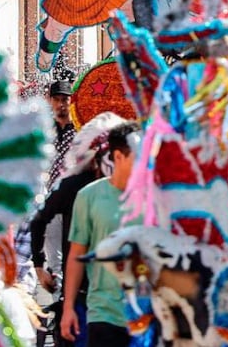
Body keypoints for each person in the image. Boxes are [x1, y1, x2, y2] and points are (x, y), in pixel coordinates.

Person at [32, 114, 128, 347]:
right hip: (83, 297)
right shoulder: (77, 188)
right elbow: (40, 220)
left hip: (126, 297)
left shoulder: (138, 190)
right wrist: (39, 265)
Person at [60, 122, 140, 347]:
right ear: (119, 157)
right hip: (104, 313)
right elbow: (77, 254)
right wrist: (68, 308)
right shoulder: (89, 196)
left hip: (148, 315)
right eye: (138, 157)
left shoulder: (155, 196)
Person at [46, 81, 77, 191]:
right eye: (56, 99)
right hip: (47, 191)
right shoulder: (45, 130)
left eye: (64, 100)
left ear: (71, 101)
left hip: (72, 190)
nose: (60, 104)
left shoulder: (79, 129)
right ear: (50, 100)